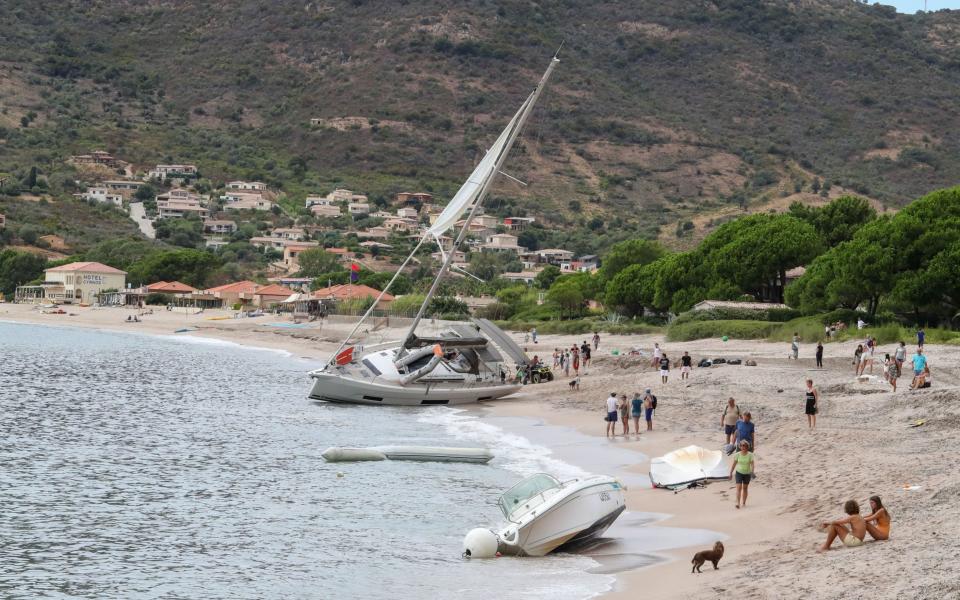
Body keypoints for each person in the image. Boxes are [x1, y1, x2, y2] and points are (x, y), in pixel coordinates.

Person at [728, 439, 754, 509]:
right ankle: (738, 503)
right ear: (740, 447)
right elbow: (734, 464)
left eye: (745, 446)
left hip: (747, 473)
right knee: (739, 488)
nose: (743, 447)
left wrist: (752, 472)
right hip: (739, 472)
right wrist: (730, 473)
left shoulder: (750, 455)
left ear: (747, 447)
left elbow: (752, 464)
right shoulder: (737, 455)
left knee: (745, 488)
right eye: (742, 446)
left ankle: (744, 502)